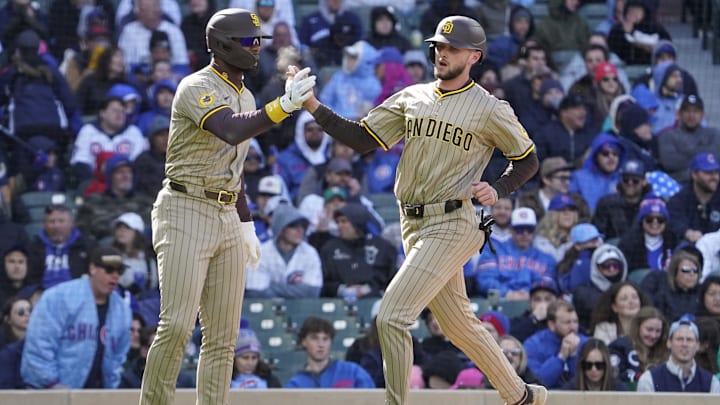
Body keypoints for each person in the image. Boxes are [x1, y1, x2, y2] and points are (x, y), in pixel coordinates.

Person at [299, 14, 545, 404]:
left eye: (452, 48)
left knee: (391, 316)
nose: (442, 53)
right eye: (439, 46)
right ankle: (522, 396)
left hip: (454, 220)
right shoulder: (412, 96)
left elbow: (528, 160)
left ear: (475, 56)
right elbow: (363, 138)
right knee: (459, 324)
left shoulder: (490, 108)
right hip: (412, 223)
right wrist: (313, 105)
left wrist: (499, 189)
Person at [139, 8, 316, 405]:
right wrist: (283, 107)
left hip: (226, 212)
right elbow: (230, 128)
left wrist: (247, 224)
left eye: (259, 41)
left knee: (223, 337)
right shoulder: (194, 85)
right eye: (249, 42)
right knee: (177, 324)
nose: (257, 48)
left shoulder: (247, 94)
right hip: (186, 207)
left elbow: (233, 170)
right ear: (222, 45)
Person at [20, 246, 132, 388]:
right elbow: (39, 346)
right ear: (93, 269)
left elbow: (118, 358)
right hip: (51, 393)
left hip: (99, 395)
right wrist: (52, 384)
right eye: (109, 270)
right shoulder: (59, 297)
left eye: (119, 271)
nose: (115, 275)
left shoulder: (122, 310)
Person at [244, 203, 323, 298]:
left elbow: (312, 292)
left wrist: (272, 287)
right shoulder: (261, 252)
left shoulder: (310, 253)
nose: (300, 230)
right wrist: (297, 291)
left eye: (302, 226)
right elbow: (255, 292)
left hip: (303, 310)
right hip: (266, 311)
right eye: (293, 226)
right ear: (280, 228)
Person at [319, 202, 396, 300]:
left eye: (344, 221)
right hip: (338, 302)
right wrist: (342, 289)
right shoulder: (329, 248)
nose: (339, 225)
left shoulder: (383, 247)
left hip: (377, 301)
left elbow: (392, 279)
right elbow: (322, 283)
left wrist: (369, 289)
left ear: (357, 222)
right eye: (338, 222)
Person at [285, 316, 375, 388]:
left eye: (325, 339)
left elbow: (372, 399)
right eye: (314, 338)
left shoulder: (353, 372)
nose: (321, 344)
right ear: (303, 342)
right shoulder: (295, 385)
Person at [636, 317, 720, 392]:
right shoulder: (649, 379)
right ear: (669, 343)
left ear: (697, 345)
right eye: (679, 339)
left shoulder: (711, 383)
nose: (684, 344)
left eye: (689, 340)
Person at [26, 204, 97, 289]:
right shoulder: (34, 247)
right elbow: (29, 279)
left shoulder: (88, 246)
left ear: (72, 223)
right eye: (52, 221)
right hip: (42, 295)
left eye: (61, 221)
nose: (56, 226)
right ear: (44, 224)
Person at [524, 300, 589, 389]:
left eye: (575, 322)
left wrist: (574, 356)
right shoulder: (533, 344)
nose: (573, 327)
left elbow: (588, 382)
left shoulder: (586, 343)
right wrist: (560, 357)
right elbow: (537, 383)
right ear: (551, 324)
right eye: (567, 322)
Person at [657, 95, 720, 184]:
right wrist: (704, 155)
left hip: (712, 185)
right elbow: (670, 163)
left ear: (702, 115)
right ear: (679, 114)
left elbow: (717, 158)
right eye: (687, 111)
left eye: (696, 111)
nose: (691, 115)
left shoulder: (714, 133)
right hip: (679, 185)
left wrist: (685, 153)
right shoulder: (667, 136)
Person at [571, 243, 629, 332]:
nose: (612, 269)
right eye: (606, 265)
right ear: (597, 267)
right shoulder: (583, 293)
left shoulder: (630, 288)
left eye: (616, 265)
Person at [608, 306, 669, 389]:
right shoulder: (620, 347)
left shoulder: (666, 351)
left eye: (658, 331)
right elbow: (613, 378)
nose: (653, 335)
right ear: (638, 327)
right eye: (649, 329)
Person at [666, 152, 720, 244]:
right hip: (691, 249)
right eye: (708, 173)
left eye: (716, 172)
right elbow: (675, 223)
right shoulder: (680, 200)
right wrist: (687, 232)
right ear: (694, 175)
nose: (714, 177)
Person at [592, 158, 652, 241]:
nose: (630, 184)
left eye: (635, 181)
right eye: (626, 180)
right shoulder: (606, 203)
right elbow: (598, 233)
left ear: (644, 181)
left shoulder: (651, 204)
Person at [561, 338, 626, 390]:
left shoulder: (618, 389)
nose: (593, 369)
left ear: (606, 365)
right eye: (588, 365)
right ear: (582, 365)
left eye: (599, 365)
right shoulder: (571, 389)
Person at [510, 276, 559, 342]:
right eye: (537, 299)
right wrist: (533, 319)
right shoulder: (518, 321)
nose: (542, 303)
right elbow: (513, 338)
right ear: (530, 303)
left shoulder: (560, 321)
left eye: (548, 299)